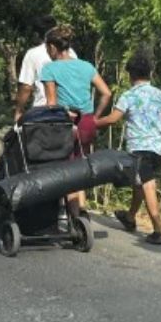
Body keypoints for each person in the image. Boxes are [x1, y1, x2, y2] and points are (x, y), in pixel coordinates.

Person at [95, 49, 161, 245]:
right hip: (157, 148)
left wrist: (93, 123)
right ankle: (129, 217)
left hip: (139, 147)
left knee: (147, 184)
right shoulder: (159, 94)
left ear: (131, 75)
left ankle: (158, 228)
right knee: (140, 182)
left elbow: (113, 119)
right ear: (149, 74)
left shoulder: (129, 95)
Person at [40, 25, 111, 215]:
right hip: (87, 123)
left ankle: (74, 213)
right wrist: (95, 117)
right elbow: (106, 93)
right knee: (80, 166)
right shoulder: (86, 66)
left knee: (65, 170)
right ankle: (81, 208)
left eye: (47, 48)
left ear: (53, 47)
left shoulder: (50, 69)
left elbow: (52, 104)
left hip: (65, 124)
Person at [14, 15, 76, 122]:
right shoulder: (70, 53)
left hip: (42, 111)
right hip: (68, 112)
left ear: (37, 34)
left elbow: (26, 87)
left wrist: (19, 111)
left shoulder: (32, 54)